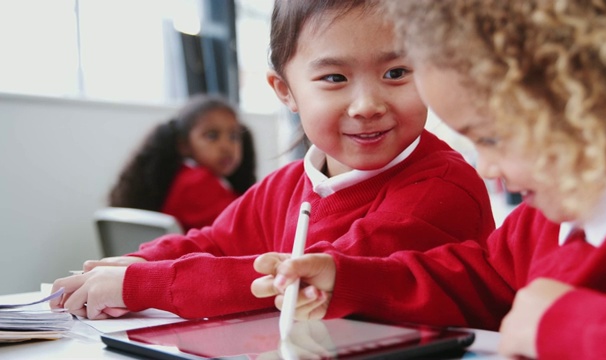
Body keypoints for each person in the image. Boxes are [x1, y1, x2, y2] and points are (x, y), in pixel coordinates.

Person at [50, 0, 495, 322]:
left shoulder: (441, 187)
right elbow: (214, 242)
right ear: (286, 91)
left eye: (396, 73)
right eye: (334, 78)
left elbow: (304, 279)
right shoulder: (285, 185)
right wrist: (134, 263)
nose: (366, 104)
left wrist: (140, 285)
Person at [251, 0, 606, 358]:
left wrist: (556, 326)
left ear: (583, 105)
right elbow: (474, 279)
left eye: (492, 138)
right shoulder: (538, 224)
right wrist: (345, 280)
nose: (486, 168)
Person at [108, 94, 257, 231]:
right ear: (184, 145)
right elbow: (245, 226)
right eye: (212, 136)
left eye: (234, 136)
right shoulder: (196, 183)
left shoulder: (184, 176)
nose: (226, 146)